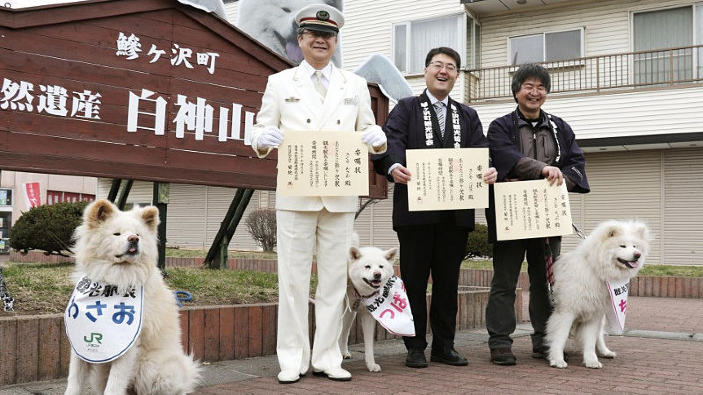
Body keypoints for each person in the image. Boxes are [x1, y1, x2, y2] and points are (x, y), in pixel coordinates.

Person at [250, 4, 387, 384]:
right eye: (313, 35)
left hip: (340, 194)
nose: (321, 41)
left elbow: (369, 130)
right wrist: (262, 138)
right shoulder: (280, 83)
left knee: (332, 280)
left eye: (328, 36)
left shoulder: (354, 84)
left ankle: (328, 356)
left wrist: (379, 140)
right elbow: (260, 128)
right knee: (291, 280)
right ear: (301, 40)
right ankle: (292, 357)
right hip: (296, 193)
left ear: (336, 41)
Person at [373, 47, 497, 369]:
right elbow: (391, 142)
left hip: (455, 216)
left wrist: (488, 168)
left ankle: (445, 346)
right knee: (414, 280)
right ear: (426, 71)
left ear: (457, 75)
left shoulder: (467, 115)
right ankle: (414, 346)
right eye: (438, 65)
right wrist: (394, 166)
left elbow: (481, 149)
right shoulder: (407, 108)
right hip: (415, 213)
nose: (444, 71)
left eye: (451, 67)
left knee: (447, 283)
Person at [484, 63, 590, 366]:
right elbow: (507, 157)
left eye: (541, 87)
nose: (535, 92)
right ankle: (500, 341)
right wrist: (543, 169)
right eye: (528, 86)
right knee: (504, 280)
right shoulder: (501, 125)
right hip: (511, 214)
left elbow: (576, 165)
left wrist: (562, 179)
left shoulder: (560, 127)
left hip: (547, 215)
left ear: (546, 93)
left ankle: (546, 341)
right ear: (516, 91)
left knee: (545, 280)